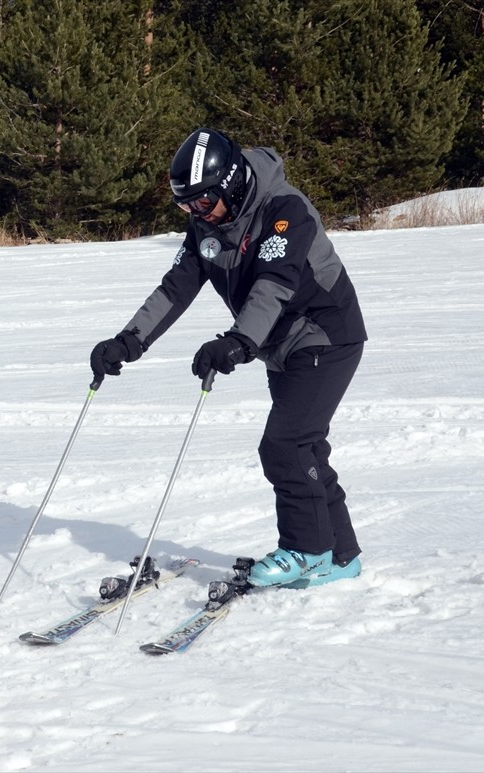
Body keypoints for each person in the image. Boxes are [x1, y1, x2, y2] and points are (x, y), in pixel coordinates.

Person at [90, 127, 367, 588]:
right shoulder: (208, 224)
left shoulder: (285, 210)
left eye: (203, 202)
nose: (197, 213)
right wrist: (129, 341)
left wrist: (238, 342)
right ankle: (340, 556)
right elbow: (176, 287)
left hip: (323, 334)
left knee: (285, 444)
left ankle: (307, 549)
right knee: (307, 448)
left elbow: (273, 286)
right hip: (279, 343)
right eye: (186, 206)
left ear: (233, 184)